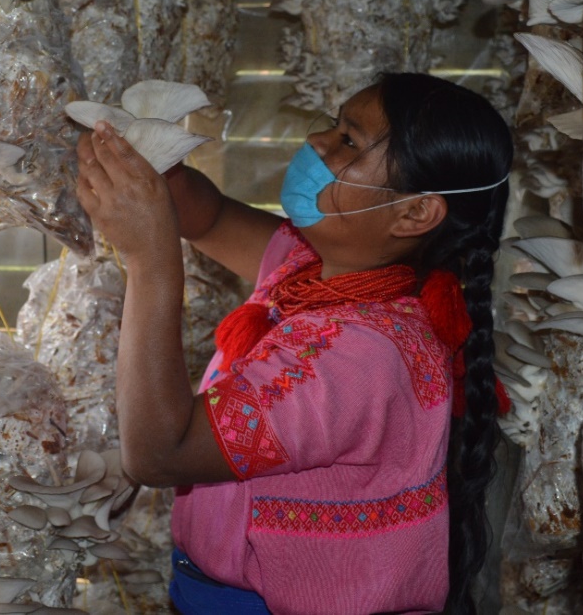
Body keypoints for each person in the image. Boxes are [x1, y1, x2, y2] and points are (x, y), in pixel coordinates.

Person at [76, 72, 513, 615]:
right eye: (334, 124)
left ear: (414, 213)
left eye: (349, 141)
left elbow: (159, 454)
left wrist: (150, 259)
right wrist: (137, 158)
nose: (318, 142)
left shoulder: (358, 357)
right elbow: (206, 215)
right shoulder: (313, 267)